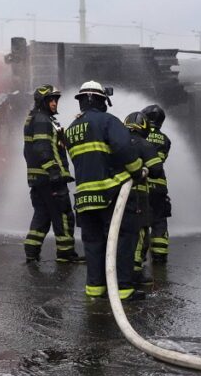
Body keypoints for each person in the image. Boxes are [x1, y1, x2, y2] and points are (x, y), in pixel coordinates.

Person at [65, 80, 145, 301]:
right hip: (111, 193)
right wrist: (137, 171)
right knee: (122, 239)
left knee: (93, 243)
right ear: (101, 101)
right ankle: (123, 290)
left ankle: (96, 290)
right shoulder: (108, 121)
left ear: (81, 101)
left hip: (84, 197)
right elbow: (124, 148)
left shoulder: (71, 129)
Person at [22, 84, 82, 264]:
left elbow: (55, 144)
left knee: (42, 215)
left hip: (38, 180)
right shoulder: (42, 120)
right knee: (63, 216)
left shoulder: (38, 118)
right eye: (51, 100)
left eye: (56, 100)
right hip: (50, 179)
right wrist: (54, 171)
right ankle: (66, 253)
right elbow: (42, 147)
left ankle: (31, 251)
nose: (55, 103)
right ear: (42, 101)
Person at [124, 111, 164, 287]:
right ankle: (135, 272)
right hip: (138, 195)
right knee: (140, 232)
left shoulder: (117, 142)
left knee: (122, 233)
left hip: (116, 195)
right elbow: (156, 169)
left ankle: (121, 270)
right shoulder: (143, 143)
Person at [141, 104, 173, 264]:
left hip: (143, 184)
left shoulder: (140, 135)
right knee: (159, 220)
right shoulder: (165, 139)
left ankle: (139, 257)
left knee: (141, 221)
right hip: (159, 186)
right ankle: (160, 255)